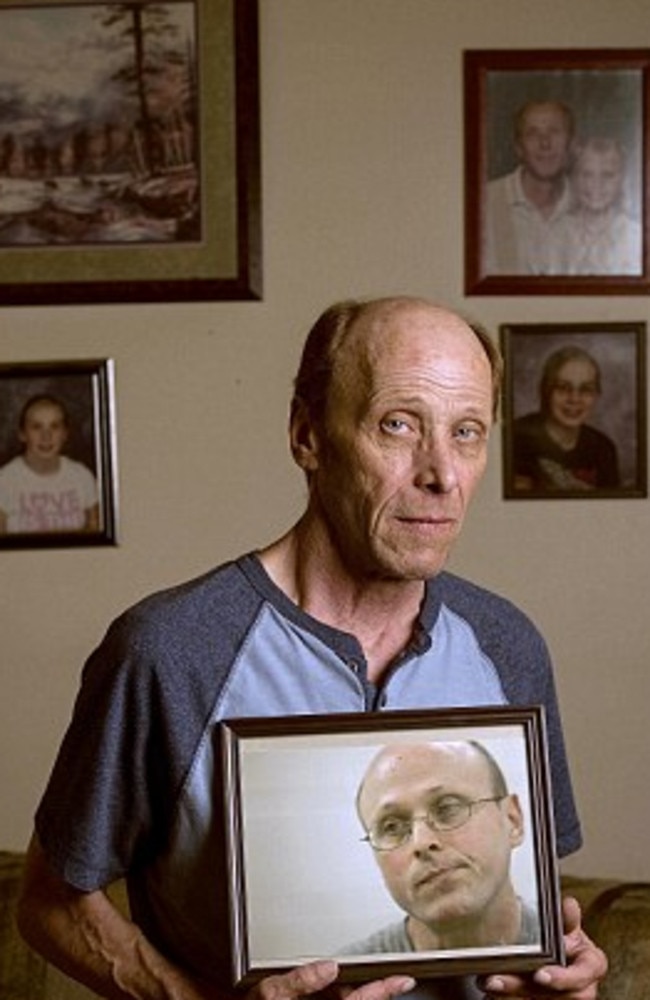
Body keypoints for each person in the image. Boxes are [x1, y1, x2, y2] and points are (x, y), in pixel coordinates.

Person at [17, 296, 607, 1000]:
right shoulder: (170, 651)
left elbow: (525, 914)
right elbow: (49, 903)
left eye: (468, 432)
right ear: (307, 435)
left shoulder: (507, 643)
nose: (441, 473)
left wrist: (561, 978)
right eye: (398, 425)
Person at [343, 740, 538, 955]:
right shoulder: (343, 980)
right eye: (391, 827)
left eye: (447, 808)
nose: (422, 842)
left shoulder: (571, 949)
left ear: (513, 820)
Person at [512, 345, 620, 492]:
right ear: (546, 391)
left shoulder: (603, 448)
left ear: (596, 395)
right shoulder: (515, 439)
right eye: (563, 388)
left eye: (586, 389)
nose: (574, 399)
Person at [484, 100, 574, 275]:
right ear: (518, 147)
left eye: (554, 132)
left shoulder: (591, 205)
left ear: (571, 143)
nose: (545, 144)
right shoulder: (484, 204)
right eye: (532, 134)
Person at [0, 393, 99, 534]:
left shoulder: (82, 476)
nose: (46, 436)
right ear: (22, 434)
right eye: (36, 427)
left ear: (65, 433)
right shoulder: (5, 480)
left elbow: (95, 538)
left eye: (54, 426)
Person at [560, 136, 642, 275]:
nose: (596, 184)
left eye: (608, 175)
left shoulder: (636, 236)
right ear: (572, 179)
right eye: (586, 175)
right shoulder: (557, 234)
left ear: (623, 179)